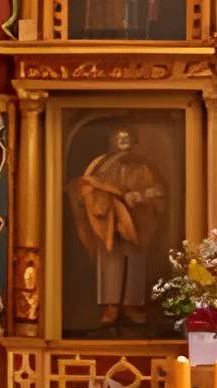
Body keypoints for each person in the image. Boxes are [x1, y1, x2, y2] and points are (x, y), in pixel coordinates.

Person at [69, 127, 168, 331]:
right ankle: (111, 305)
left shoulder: (143, 167)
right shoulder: (102, 164)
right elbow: (88, 187)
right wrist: (111, 199)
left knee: (136, 261)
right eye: (119, 138)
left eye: (127, 138)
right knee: (110, 259)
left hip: (139, 221)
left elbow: (159, 191)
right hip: (110, 221)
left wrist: (146, 196)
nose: (124, 142)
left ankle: (132, 304)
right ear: (112, 141)